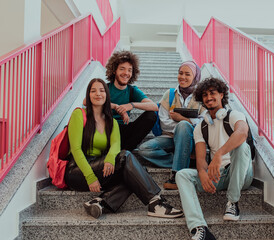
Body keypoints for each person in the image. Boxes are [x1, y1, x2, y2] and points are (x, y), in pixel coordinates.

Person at [65, 78, 183, 219]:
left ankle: (100, 202)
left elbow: (116, 145)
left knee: (137, 171)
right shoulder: (79, 114)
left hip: (100, 167)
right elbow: (76, 149)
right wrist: (90, 177)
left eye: (102, 90)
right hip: (77, 171)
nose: (98, 94)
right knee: (126, 157)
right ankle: (156, 203)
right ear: (88, 96)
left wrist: (109, 159)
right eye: (93, 91)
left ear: (107, 96)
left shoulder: (112, 122)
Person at [175, 77, 254, 240]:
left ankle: (233, 203)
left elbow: (242, 133)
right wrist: (202, 173)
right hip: (220, 175)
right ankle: (199, 228)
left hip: (240, 173)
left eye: (212, 93)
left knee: (241, 146)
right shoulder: (201, 127)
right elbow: (201, 158)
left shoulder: (234, 115)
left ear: (222, 94)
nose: (208, 97)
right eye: (204, 95)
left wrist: (218, 154)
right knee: (181, 175)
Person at [138, 61, 205, 190]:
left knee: (184, 126)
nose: (183, 77)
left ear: (195, 77)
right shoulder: (169, 95)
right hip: (169, 137)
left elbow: (203, 123)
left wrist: (182, 120)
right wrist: (181, 130)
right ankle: (184, 159)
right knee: (144, 149)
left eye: (187, 74)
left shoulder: (201, 97)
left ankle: (176, 174)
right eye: (180, 73)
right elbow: (164, 123)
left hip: (193, 140)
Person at [105, 50, 158, 151]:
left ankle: (125, 151)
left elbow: (154, 106)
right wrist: (116, 106)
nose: (126, 73)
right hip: (107, 129)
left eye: (129, 70)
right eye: (122, 69)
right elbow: (87, 101)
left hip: (125, 131)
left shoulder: (132, 90)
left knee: (151, 115)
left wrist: (131, 105)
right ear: (114, 70)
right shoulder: (105, 88)